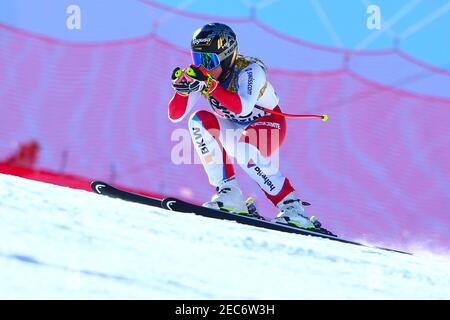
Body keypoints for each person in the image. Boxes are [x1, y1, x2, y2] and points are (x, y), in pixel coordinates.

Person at [168, 22, 321, 230]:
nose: (203, 66)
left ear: (227, 56)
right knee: (197, 121)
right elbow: (175, 115)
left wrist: (210, 86)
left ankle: (293, 209)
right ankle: (230, 194)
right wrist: (182, 91)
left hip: (268, 126)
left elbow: (243, 108)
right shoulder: (204, 74)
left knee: (243, 147)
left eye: (208, 60)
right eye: (198, 59)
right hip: (236, 129)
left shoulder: (250, 70)